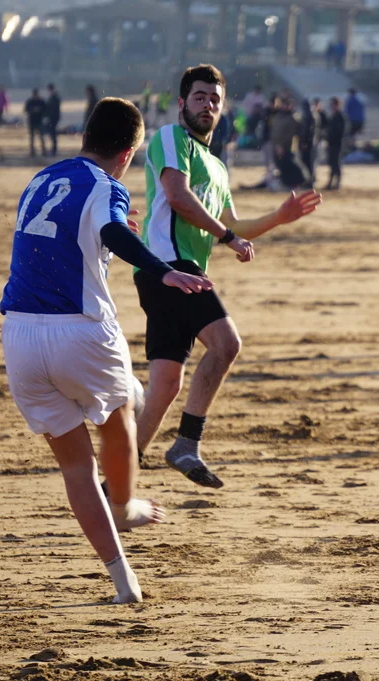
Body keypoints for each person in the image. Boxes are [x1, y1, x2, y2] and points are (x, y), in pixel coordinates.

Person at [0, 97, 210, 604]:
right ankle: (125, 506)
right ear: (129, 153)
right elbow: (112, 228)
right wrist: (163, 269)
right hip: (81, 333)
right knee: (121, 418)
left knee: (77, 469)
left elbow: (67, 238)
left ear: (84, 137)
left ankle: (123, 582)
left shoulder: (42, 178)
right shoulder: (107, 185)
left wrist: (109, 240)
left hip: (20, 337)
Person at [133, 64, 322, 488]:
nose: (208, 105)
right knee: (226, 343)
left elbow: (232, 222)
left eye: (215, 100)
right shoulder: (172, 138)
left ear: (223, 109)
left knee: (166, 384)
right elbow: (178, 198)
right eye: (199, 97)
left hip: (176, 272)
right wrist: (230, 238)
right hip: (168, 265)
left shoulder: (217, 166)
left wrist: (278, 217)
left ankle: (118, 474)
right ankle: (186, 444)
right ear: (182, 103)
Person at [325, 96, 346, 190]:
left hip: (337, 144)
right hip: (331, 143)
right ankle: (331, 182)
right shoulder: (332, 116)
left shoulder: (341, 116)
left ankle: (337, 183)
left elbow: (342, 131)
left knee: (336, 163)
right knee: (332, 163)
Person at [299, 97, 317, 185]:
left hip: (308, 144)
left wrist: (305, 142)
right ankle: (309, 180)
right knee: (307, 163)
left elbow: (309, 131)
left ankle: (310, 181)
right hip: (309, 143)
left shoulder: (309, 116)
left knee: (308, 163)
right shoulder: (309, 116)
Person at [24, 88, 47, 157]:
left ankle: (43, 151)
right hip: (33, 121)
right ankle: (33, 151)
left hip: (38, 121)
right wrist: (33, 110)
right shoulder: (31, 101)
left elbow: (45, 110)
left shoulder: (41, 101)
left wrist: (39, 111)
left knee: (40, 136)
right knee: (33, 137)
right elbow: (26, 110)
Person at [45, 84, 62, 157]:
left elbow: (53, 109)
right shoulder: (54, 97)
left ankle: (54, 149)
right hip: (54, 117)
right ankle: (53, 149)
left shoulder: (54, 97)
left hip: (53, 118)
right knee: (52, 133)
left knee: (53, 133)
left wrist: (48, 116)